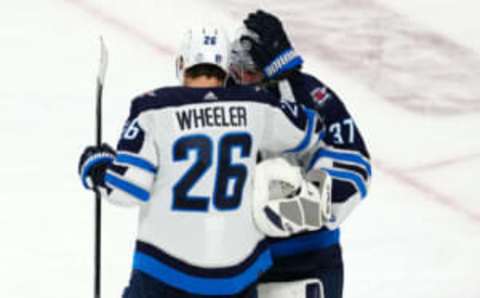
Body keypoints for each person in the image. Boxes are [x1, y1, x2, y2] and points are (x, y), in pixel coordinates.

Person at [78, 25, 326, 298]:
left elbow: (126, 188)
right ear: (226, 69)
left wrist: (96, 166)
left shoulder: (153, 110)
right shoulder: (257, 105)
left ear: (182, 62)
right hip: (236, 278)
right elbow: (311, 128)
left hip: (164, 274)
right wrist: (285, 71)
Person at [229, 10, 372, 298]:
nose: (240, 76)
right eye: (236, 67)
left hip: (309, 261)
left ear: (273, 69)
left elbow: (355, 163)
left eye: (249, 70)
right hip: (238, 262)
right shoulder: (223, 98)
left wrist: (311, 203)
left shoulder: (311, 96)